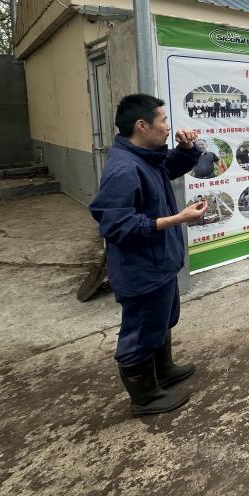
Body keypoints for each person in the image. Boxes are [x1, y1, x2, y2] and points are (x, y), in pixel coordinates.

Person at [88, 94, 208, 417]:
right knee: (140, 331)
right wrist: (178, 218)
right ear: (142, 125)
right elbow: (115, 225)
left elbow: (168, 167)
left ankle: (162, 372)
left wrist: (186, 149)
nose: (168, 127)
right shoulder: (124, 169)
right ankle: (144, 398)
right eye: (163, 120)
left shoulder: (144, 156)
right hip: (141, 269)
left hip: (160, 263)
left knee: (161, 320)